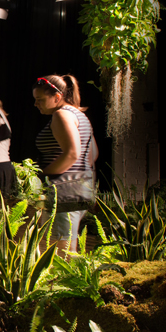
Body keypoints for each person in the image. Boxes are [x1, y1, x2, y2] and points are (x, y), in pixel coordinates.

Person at [33, 75, 98, 254]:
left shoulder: (61, 115)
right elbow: (92, 155)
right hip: (81, 188)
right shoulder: (80, 116)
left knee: (59, 252)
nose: (35, 104)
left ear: (57, 97)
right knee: (68, 244)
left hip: (62, 192)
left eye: (39, 100)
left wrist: (41, 175)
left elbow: (72, 154)